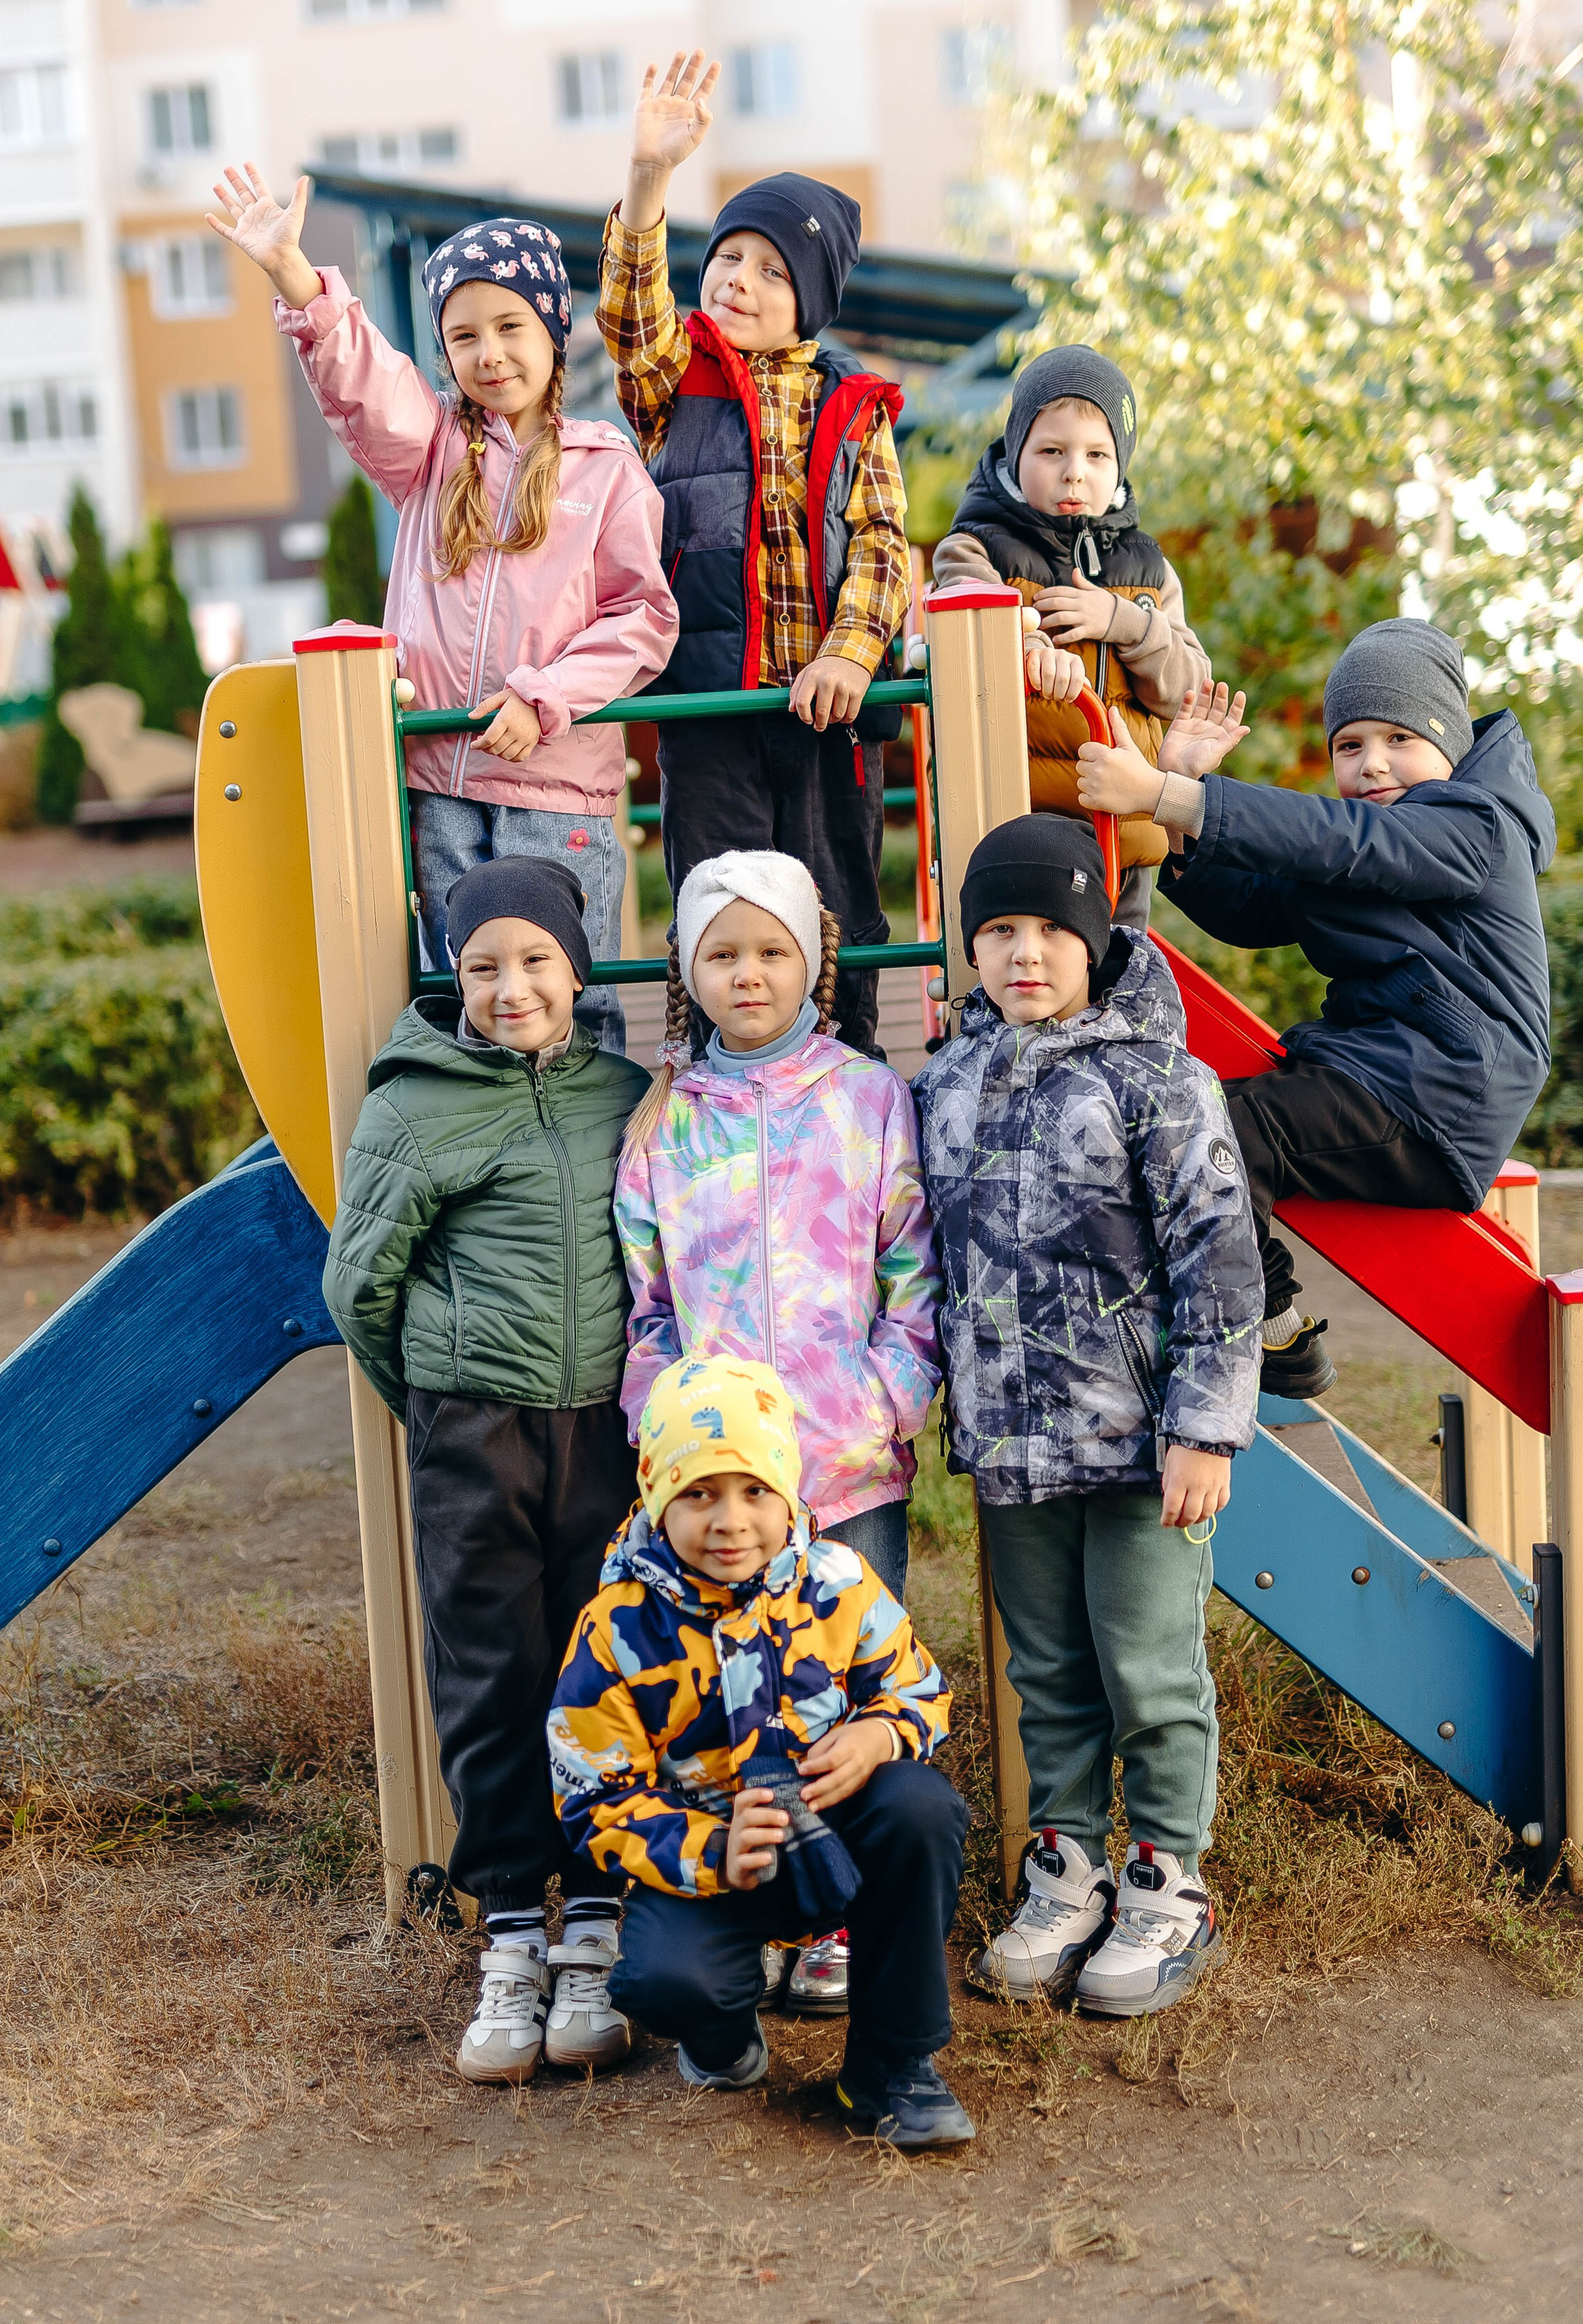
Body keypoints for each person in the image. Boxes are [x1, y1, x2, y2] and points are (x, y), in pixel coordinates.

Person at [207, 161, 678, 1057]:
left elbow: (642, 617)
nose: (490, 353)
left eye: (510, 326)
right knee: (469, 996)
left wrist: (543, 696)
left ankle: (587, 1176)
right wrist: (293, 276)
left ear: (554, 330)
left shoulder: (603, 467)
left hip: (555, 787)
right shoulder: (431, 453)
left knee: (570, 994)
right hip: (441, 784)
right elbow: (360, 381)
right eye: (464, 337)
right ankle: (485, 1167)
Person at [914, 815, 1261, 2014]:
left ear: (1096, 938)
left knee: (1151, 1667)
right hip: (1014, 1444)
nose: (1024, 953)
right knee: (1050, 1671)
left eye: (1052, 929)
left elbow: (1220, 1261)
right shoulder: (948, 1081)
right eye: (998, 931)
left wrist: (1206, 1427)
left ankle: (1170, 1884)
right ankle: (1067, 1873)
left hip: (1140, 1449)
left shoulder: (1159, 1081)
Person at [320, 858, 648, 2087]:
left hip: (605, 1429)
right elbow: (359, 1285)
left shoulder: (625, 1094)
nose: (512, 990)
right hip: (477, 1425)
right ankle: (513, 1926)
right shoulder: (418, 1104)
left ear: (578, 968)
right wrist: (438, 1403)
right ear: (456, 980)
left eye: (537, 963)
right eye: (485, 968)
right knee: (492, 1665)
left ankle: (601, 1921)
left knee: (605, 1653)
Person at [613, 848, 943, 2017]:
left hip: (846, 1472)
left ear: (814, 959)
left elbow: (914, 1275)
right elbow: (648, 1304)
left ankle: (842, 1915)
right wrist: (666, 1435)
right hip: (713, 1488)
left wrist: (882, 1404)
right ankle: (745, 1902)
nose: (747, 976)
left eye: (771, 951)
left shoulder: (868, 1097)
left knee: (841, 1691)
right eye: (722, 954)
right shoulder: (664, 1119)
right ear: (687, 971)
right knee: (723, 1698)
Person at [1077, 620, 1556, 1398]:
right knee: (1188, 1117)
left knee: (1225, 1129)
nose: (1371, 764)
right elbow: (1259, 906)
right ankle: (1268, 1323)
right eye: (1349, 746)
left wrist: (1172, 794)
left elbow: (1349, 843)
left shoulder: (1478, 827)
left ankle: (1269, 1330)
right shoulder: (1373, 835)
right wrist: (1173, 810)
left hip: (1444, 1091)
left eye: (1399, 738)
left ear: (1451, 743)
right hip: (1383, 1074)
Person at [547, 1353, 975, 2150]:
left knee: (921, 1807)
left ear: (789, 1494)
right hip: (710, 1865)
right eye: (698, 1493)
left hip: (831, 1836)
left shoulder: (839, 1582)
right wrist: (713, 1850)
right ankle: (721, 2038)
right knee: (662, 1982)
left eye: (754, 1492)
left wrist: (879, 1733)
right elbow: (593, 1800)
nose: (730, 1522)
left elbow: (919, 1690)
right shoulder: (615, 1629)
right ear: (655, 1494)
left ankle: (890, 2068)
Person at [595, 53, 910, 1053]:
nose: (740, 279)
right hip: (714, 713)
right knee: (722, 916)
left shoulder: (851, 407)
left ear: (810, 304)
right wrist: (649, 178)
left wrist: (850, 654)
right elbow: (627, 310)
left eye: (771, 271)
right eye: (730, 256)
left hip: (825, 715)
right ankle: (718, 1103)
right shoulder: (673, 379)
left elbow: (884, 548)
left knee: (834, 917)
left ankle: (847, 1100)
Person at [929, 345, 1212, 931]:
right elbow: (969, 622)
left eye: (1097, 454)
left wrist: (1126, 622)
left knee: (1120, 980)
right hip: (1024, 830)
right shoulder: (975, 547)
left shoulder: (1149, 572)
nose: (1074, 471)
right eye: (1052, 450)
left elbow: (1189, 688)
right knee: (1037, 980)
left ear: (1120, 466)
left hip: (1123, 828)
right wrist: (1027, 650)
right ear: (1016, 453)